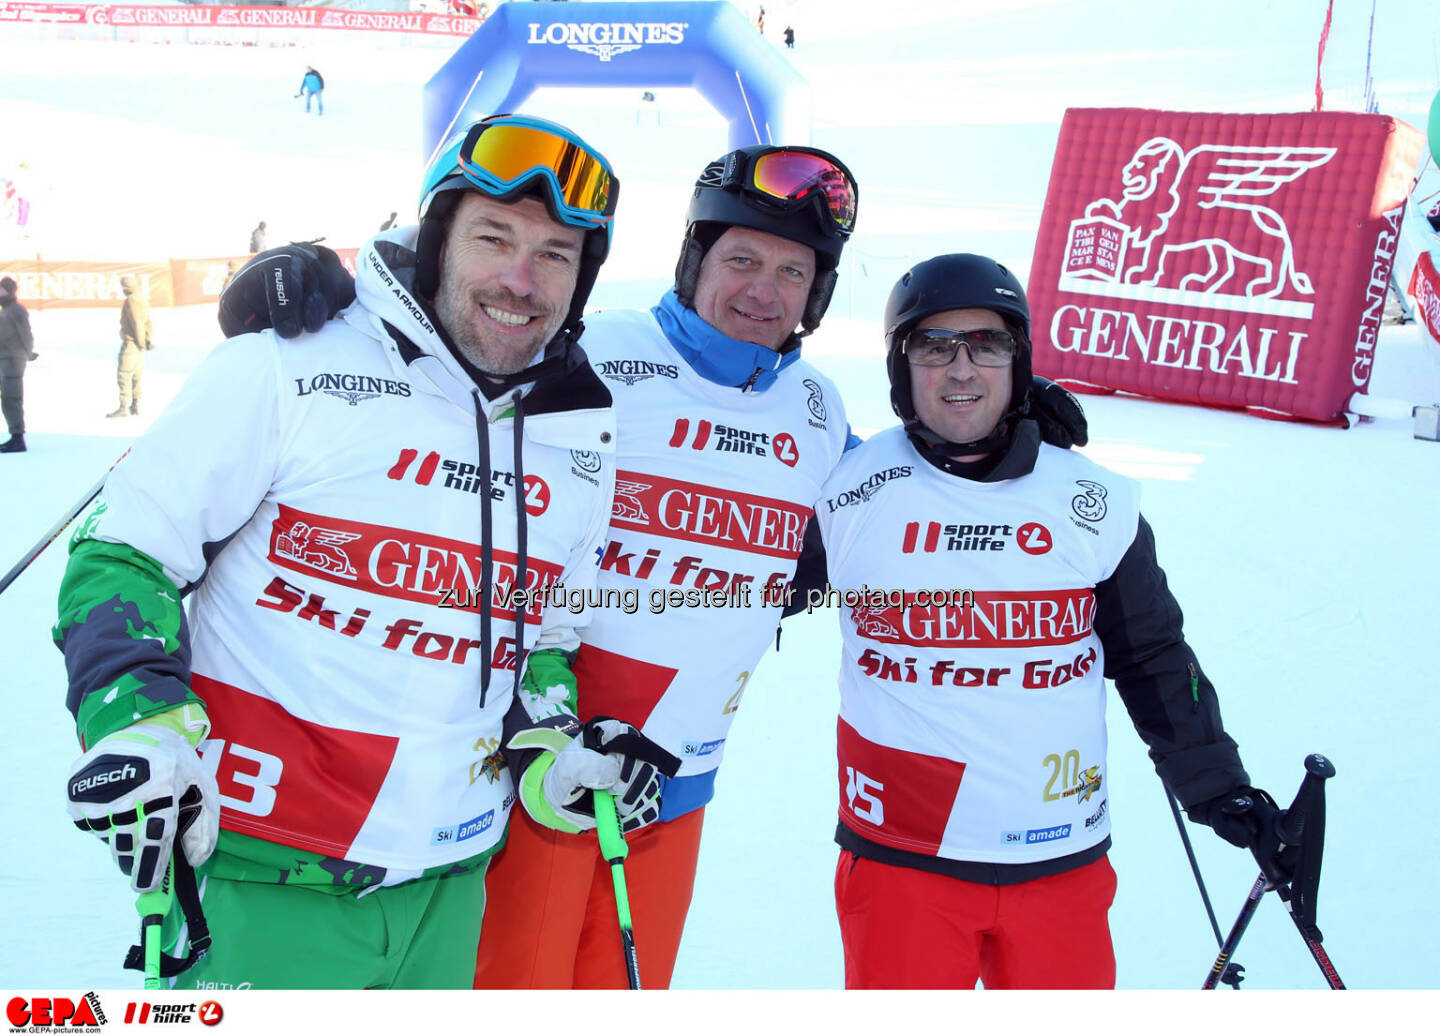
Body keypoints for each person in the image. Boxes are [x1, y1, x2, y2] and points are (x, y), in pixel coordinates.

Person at [220, 153, 1085, 989]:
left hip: (678, 784)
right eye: (741, 259)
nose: (762, 290)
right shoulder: (591, 350)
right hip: (542, 766)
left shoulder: (816, 408)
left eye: (792, 273)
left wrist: (995, 429)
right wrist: (344, 292)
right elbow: (460, 345)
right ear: (694, 258)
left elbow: (894, 499)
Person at [56, 114, 670, 990]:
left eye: (555, 256)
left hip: (448, 891)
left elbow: (542, 642)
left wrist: (550, 751)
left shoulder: (576, 430)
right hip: (263, 872)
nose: (519, 279)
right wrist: (140, 721)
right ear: (435, 240)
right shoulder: (291, 363)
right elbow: (124, 552)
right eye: (493, 237)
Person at [812, 253, 1291, 989]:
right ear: (900, 367)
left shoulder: (1090, 500)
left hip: (1059, 859)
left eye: (989, 344)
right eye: (934, 346)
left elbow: (1151, 654)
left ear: (1020, 360)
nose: (961, 369)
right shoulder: (849, 490)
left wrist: (1216, 784)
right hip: (902, 857)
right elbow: (730, 593)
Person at [107, 275, 152, 418]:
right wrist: (147, 339)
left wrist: (140, 342)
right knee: (136, 375)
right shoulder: (141, 299)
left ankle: (123, 407)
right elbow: (147, 322)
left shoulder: (132, 300)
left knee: (124, 374)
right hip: (138, 344)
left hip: (131, 343)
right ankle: (135, 405)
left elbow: (137, 323)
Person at [1, 274, 34, 453]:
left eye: (2, 289)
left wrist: (26, 354)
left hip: (13, 361)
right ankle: (14, 436)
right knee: (6, 400)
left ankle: (18, 439)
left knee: (12, 399)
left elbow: (26, 334)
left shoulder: (16, 309)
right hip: (5, 360)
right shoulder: (6, 310)